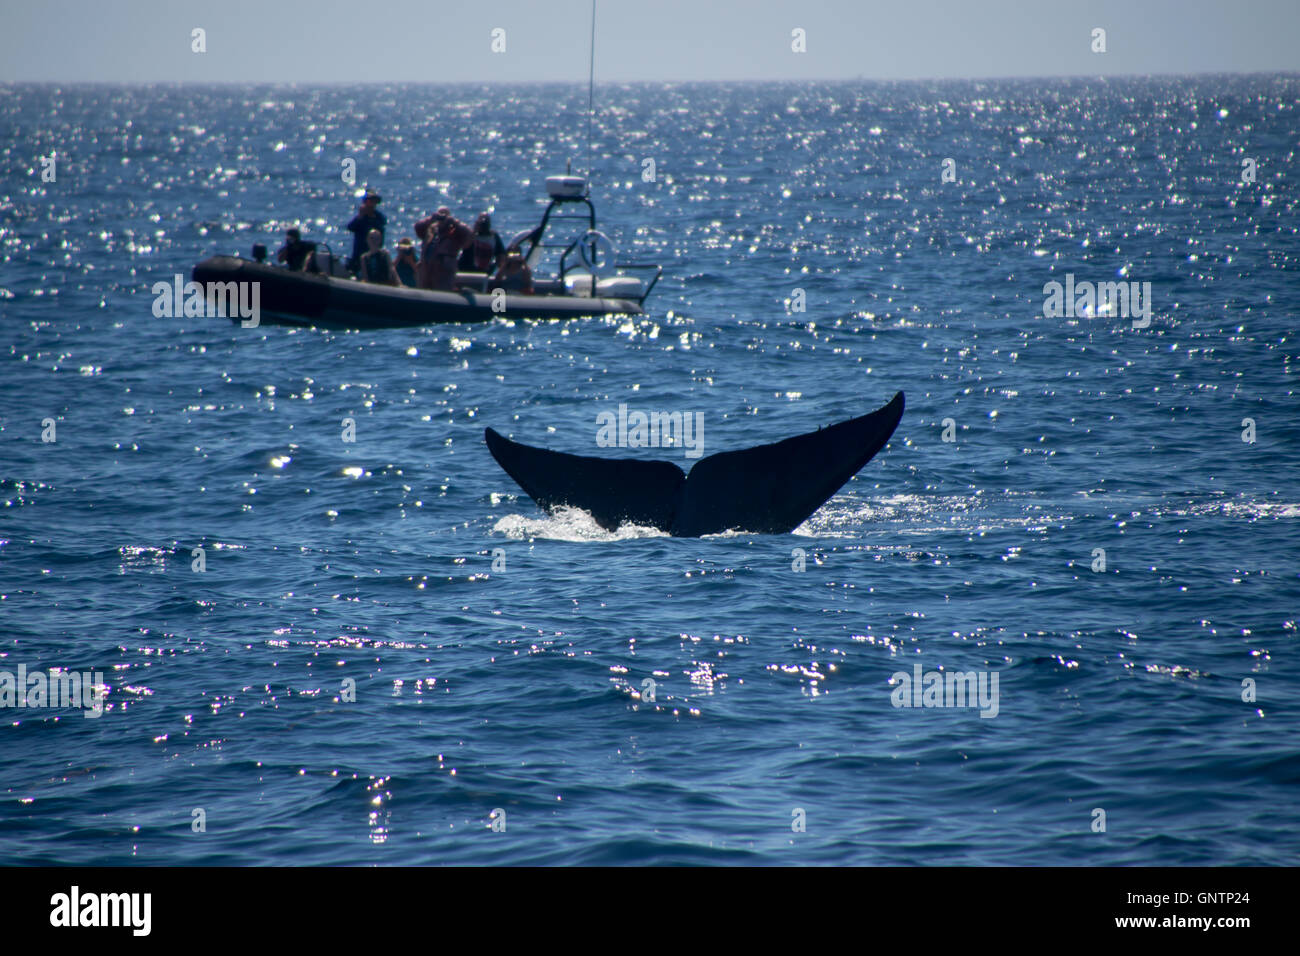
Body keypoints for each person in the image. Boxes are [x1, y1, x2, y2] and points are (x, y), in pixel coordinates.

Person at [414, 206, 473, 291]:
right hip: (426, 272)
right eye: (440, 214)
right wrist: (430, 219)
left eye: (444, 215)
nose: (441, 218)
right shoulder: (430, 229)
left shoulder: (454, 232)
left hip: (443, 274)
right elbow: (417, 227)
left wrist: (454, 222)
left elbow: (469, 235)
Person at [346, 189, 386, 275]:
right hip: (359, 253)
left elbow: (382, 229)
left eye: (373, 202)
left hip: (374, 253)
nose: (371, 205)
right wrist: (360, 216)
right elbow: (350, 227)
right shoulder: (361, 218)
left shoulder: (378, 218)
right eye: (368, 201)